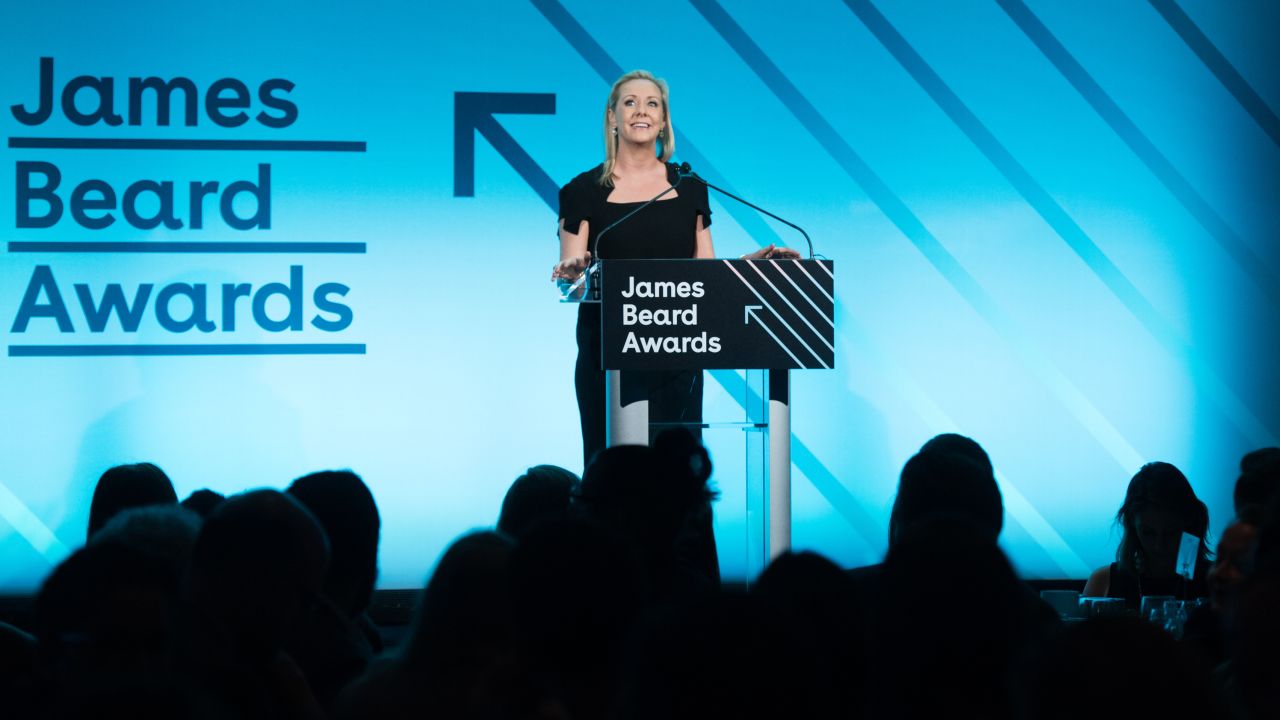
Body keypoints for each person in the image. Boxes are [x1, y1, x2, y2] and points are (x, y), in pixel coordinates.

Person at [551, 69, 798, 468]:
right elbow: (572, 280)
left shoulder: (688, 187)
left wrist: (755, 268)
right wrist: (574, 273)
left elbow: (706, 276)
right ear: (612, 117)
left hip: (677, 355)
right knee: (614, 480)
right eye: (629, 102)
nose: (640, 111)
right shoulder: (581, 192)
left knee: (676, 481)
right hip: (608, 360)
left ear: (664, 120)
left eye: (652, 104)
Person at [1083, 462, 1211, 607]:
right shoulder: (1102, 582)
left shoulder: (1217, 582)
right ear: (1132, 524)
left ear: (1188, 521)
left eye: (1170, 532)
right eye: (1148, 532)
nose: (1159, 545)